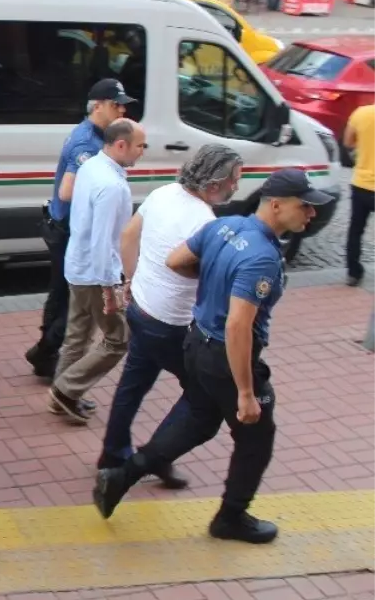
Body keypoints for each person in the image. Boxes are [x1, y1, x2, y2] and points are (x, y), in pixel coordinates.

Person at [95, 169, 332, 545]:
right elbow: (239, 327)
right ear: (276, 205)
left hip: (196, 341)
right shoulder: (262, 259)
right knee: (256, 438)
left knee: (199, 419)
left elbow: (176, 261)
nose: (311, 214)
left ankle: (122, 476)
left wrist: (215, 280)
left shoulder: (226, 227)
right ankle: (231, 517)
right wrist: (245, 393)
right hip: (226, 355)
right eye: (304, 206)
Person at [98, 144, 243, 489]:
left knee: (133, 384)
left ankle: (112, 453)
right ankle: (156, 457)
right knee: (201, 395)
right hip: (171, 325)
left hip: (142, 309)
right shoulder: (205, 222)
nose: (236, 187)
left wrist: (130, 281)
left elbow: (129, 235)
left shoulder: (163, 193)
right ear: (213, 184)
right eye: (234, 180)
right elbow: (206, 278)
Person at [26, 79, 136, 379]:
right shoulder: (86, 143)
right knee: (71, 301)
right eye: (116, 104)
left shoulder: (95, 134)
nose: (122, 109)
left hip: (67, 229)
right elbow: (66, 191)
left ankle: (46, 354)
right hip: (67, 230)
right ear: (97, 105)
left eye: (123, 104)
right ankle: (47, 353)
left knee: (64, 297)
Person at [48, 119, 146, 423]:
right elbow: (105, 241)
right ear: (121, 145)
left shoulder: (92, 166)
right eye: (141, 146)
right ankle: (66, 390)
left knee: (77, 335)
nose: (143, 152)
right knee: (119, 338)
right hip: (95, 272)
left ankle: (63, 394)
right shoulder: (112, 186)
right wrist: (110, 288)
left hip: (77, 265)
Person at [343, 103, 375, 286]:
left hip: (361, 184)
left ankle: (353, 272)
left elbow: (348, 142)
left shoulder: (360, 113)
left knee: (356, 229)